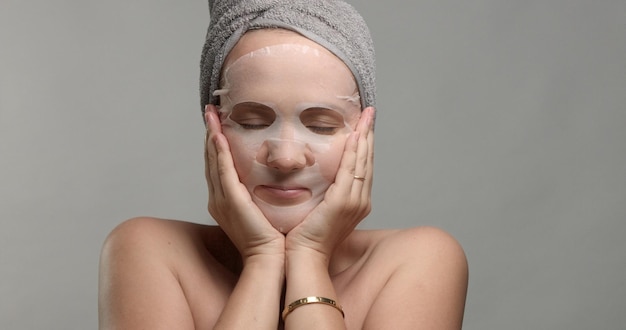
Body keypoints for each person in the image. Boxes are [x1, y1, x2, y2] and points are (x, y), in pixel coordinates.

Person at [98, 0, 468, 329]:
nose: (286, 158)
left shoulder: (420, 261)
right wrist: (262, 259)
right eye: (252, 122)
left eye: (321, 125)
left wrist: (309, 257)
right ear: (214, 127)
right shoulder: (148, 251)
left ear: (364, 133)